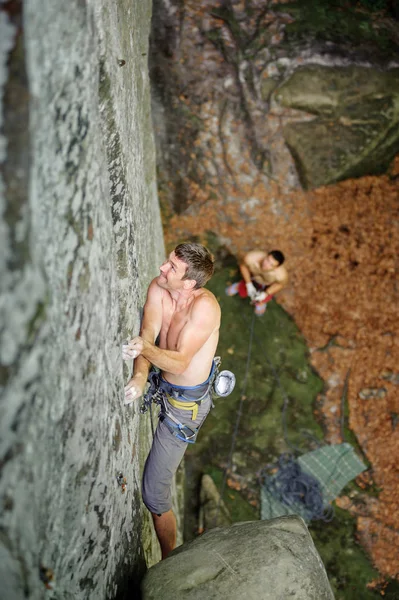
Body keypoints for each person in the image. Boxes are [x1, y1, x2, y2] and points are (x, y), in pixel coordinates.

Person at [122, 242, 221, 560]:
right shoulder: (159, 287)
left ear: (190, 283)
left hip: (185, 407)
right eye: (168, 262)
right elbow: (148, 331)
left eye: (172, 268)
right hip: (160, 382)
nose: (163, 268)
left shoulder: (205, 308)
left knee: (153, 494)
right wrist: (139, 376)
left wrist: (143, 352)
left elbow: (178, 363)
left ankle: (169, 561)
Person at [226, 249, 288, 315]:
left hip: (266, 285)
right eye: (267, 260)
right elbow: (243, 266)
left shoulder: (281, 275)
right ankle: (239, 286)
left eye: (271, 265)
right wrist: (249, 284)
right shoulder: (251, 258)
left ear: (276, 267)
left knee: (262, 299)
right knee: (243, 288)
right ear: (266, 255)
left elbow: (280, 285)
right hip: (252, 277)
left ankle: (261, 303)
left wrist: (266, 293)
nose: (266, 265)